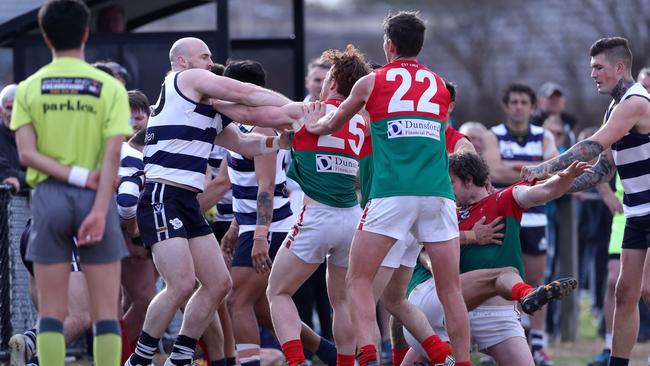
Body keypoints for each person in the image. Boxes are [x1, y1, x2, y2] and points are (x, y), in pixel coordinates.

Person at [304, 11, 471, 365]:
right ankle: (462, 361)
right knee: (449, 289)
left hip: (393, 194)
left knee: (358, 281)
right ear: (419, 45)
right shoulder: (439, 85)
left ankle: (367, 356)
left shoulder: (372, 82)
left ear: (389, 45)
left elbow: (333, 122)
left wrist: (310, 125)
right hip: (438, 194)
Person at [125, 37, 295, 366]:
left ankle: (181, 356)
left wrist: (281, 141)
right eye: (205, 56)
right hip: (163, 193)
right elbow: (246, 98)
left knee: (219, 285)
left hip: (187, 201)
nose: (210, 61)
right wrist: (299, 109)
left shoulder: (205, 111)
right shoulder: (182, 78)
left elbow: (248, 144)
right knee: (181, 284)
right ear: (183, 61)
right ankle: (140, 359)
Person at [11, 1, 134, 365]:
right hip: (97, 198)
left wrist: (73, 175)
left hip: (47, 198)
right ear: (85, 33)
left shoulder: (29, 88)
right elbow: (114, 155)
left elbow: (26, 155)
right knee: (106, 313)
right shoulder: (109, 87)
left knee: (51, 313)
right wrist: (97, 206)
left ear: (45, 36)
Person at [521, 36, 650, 366]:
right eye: (591, 67)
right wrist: (554, 186)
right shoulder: (614, 106)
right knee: (624, 293)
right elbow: (603, 169)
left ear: (619, 67)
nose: (592, 74)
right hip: (637, 212)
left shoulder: (635, 101)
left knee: (645, 287)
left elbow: (590, 147)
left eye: (598, 67)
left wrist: (544, 168)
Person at [263, 45, 370, 366]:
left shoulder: (309, 111)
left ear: (334, 81)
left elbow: (256, 114)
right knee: (342, 301)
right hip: (352, 218)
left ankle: (296, 362)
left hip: (316, 216)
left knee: (277, 293)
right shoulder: (361, 122)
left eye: (327, 77)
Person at [483, 82, 559, 364]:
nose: (517, 107)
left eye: (523, 102)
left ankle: (538, 342)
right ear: (506, 106)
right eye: (513, 102)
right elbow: (492, 169)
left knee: (537, 278)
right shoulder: (494, 135)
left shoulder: (544, 135)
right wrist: (532, 169)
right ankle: (499, 343)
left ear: (532, 107)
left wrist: (514, 168)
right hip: (504, 214)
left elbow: (554, 169)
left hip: (536, 215)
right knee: (500, 279)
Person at [529, 82, 577, 150]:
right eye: (550, 97)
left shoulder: (572, 125)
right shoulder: (530, 127)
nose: (555, 101)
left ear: (564, 101)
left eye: (558, 97)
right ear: (539, 101)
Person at [0, 84, 27, 191]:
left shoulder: (35, 134)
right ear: (1, 111)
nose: (13, 114)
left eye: (17, 108)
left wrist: (19, 179)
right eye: (9, 108)